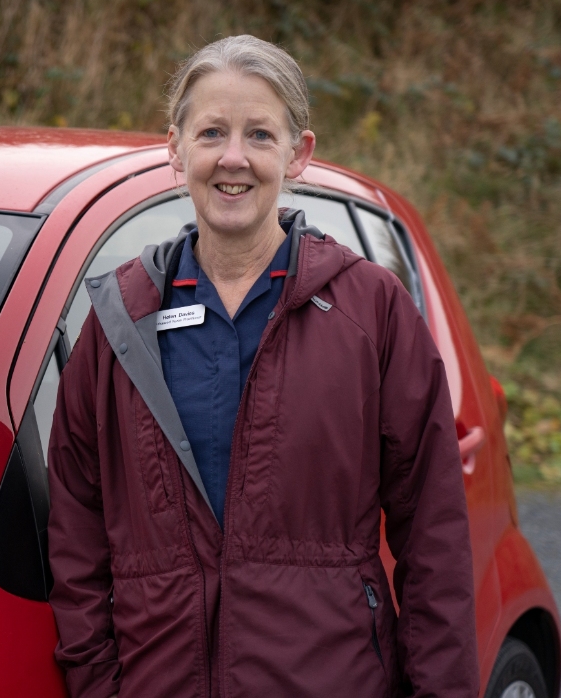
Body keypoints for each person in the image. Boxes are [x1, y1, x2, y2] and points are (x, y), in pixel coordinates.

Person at [46, 35, 478, 697]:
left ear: (299, 153)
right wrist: (98, 684)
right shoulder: (119, 321)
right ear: (175, 148)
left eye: (259, 135)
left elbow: (435, 540)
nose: (233, 159)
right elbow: (76, 529)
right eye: (212, 131)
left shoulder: (373, 311)